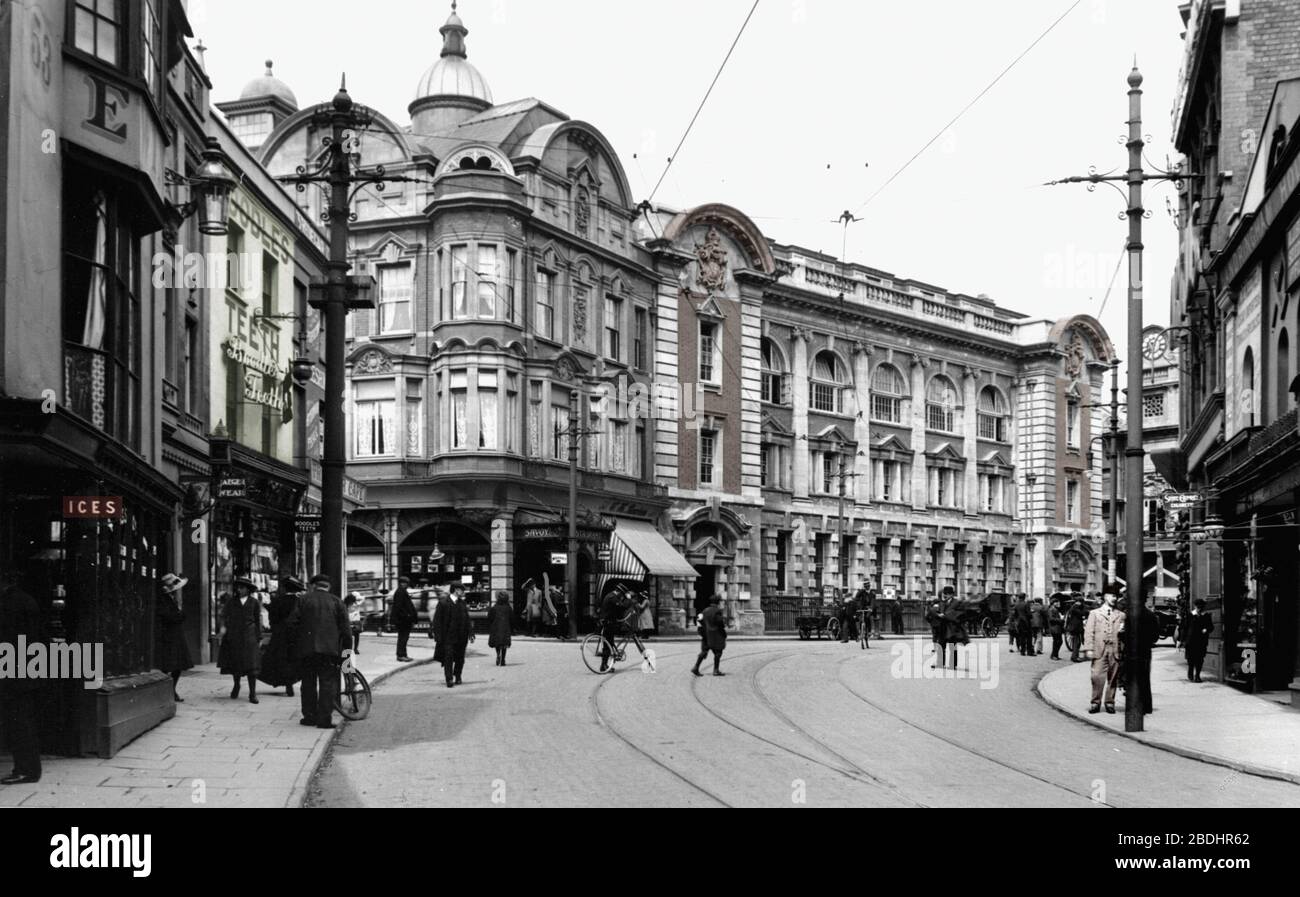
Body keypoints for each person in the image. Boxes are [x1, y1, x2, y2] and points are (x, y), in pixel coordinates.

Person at [289, 574, 350, 729]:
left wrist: (296, 645)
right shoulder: (337, 602)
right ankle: (324, 720)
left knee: (308, 683)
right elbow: (346, 632)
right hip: (329, 651)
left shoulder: (303, 600)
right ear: (328, 587)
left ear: (313, 586)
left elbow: (292, 624)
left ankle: (309, 716)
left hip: (307, 650)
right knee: (327, 684)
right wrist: (347, 654)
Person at [0, 571, 42, 784]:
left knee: (19, 722)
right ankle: (25, 768)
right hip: (24, 670)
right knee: (21, 721)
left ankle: (26, 770)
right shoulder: (24, 600)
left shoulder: (11, 604)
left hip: (15, 672)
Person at [219, 577, 262, 703]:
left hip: (249, 636)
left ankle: (252, 693)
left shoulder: (254, 602)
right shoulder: (231, 602)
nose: (239, 590)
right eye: (238, 587)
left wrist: (259, 637)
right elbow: (223, 615)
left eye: (242, 588)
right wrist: (222, 628)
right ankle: (236, 685)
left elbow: (258, 620)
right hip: (234, 635)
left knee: (251, 665)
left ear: (248, 589)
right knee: (236, 663)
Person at [259, 576, 304, 697]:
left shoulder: (278, 600)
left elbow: (272, 618)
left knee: (281, 658)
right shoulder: (301, 601)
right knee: (294, 658)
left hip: (280, 634)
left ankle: (286, 683)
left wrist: (276, 629)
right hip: (296, 635)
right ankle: (292, 682)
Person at [1084, 586, 1125, 714]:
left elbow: (1124, 634)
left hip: (1115, 649)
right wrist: (1089, 648)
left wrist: (1122, 633)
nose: (1114, 598)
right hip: (1099, 649)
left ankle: (1109, 703)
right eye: (1111, 596)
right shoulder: (1095, 613)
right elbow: (1089, 632)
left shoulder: (1121, 615)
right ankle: (1095, 702)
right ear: (1105, 597)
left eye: (1116, 596)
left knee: (1113, 678)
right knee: (1096, 676)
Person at [155, 573, 194, 702]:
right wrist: (180, 614)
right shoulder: (163, 600)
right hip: (168, 635)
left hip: (176, 634)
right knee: (167, 665)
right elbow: (168, 617)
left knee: (178, 665)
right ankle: (166, 691)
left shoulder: (172, 599)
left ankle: (171, 690)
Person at [432, 584, 474, 687]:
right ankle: (449, 678)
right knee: (448, 657)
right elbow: (437, 621)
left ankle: (458, 675)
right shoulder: (443, 603)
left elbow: (467, 619)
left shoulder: (462, 603)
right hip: (448, 636)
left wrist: (471, 633)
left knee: (460, 658)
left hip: (461, 636)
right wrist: (438, 636)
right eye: (462, 590)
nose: (463, 592)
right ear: (456, 590)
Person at [692, 593, 728, 676]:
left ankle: (696, 667)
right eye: (721, 601)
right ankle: (716, 670)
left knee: (704, 652)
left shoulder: (705, 610)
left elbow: (701, 621)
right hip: (716, 635)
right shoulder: (717, 611)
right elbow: (720, 623)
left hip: (706, 635)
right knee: (718, 652)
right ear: (718, 602)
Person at [1185, 599, 1213, 682]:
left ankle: (1197, 676)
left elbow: (1211, 627)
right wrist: (1182, 641)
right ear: (1195, 606)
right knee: (1190, 659)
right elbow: (1185, 627)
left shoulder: (1206, 616)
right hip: (1191, 641)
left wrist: (1206, 629)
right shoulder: (1190, 615)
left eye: (1201, 607)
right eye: (1198, 607)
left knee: (1200, 659)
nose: (1199, 609)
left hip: (1201, 641)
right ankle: (1190, 673)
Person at [391, 576, 417, 662]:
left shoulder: (402, 591)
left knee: (404, 637)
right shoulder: (400, 592)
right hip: (403, 620)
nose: (406, 585)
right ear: (401, 583)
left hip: (404, 619)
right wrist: (407, 616)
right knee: (403, 637)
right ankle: (401, 655)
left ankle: (403, 654)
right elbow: (399, 607)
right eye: (405, 583)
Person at [487, 591, 513, 666]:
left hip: (496, 628)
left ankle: (498, 654)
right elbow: (512, 618)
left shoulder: (494, 608)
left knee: (497, 644)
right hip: (505, 628)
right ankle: (503, 659)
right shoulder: (508, 608)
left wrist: (491, 625)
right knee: (504, 645)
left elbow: (489, 617)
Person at [925, 599, 946, 668]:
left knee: (934, 636)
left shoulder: (931, 609)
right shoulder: (941, 609)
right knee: (940, 640)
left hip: (934, 626)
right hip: (941, 626)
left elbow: (927, 617)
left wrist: (931, 622)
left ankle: (935, 647)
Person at [1066, 595, 1086, 662]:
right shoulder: (1075, 607)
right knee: (1076, 643)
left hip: (1075, 627)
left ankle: (1075, 656)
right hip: (1075, 628)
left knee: (1077, 642)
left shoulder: (1073, 607)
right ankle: (1074, 657)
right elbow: (1082, 613)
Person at [1047, 596, 1064, 661]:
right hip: (1055, 628)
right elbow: (1051, 619)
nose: (1059, 603)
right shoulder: (1052, 609)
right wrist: (1061, 619)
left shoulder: (1054, 609)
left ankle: (1055, 655)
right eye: (1057, 602)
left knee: (1058, 641)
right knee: (1057, 641)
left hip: (1056, 628)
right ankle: (1054, 655)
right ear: (1054, 603)